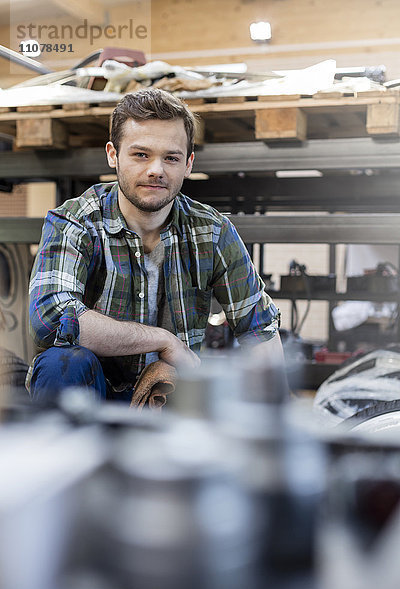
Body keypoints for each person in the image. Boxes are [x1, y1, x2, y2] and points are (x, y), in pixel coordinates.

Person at [27, 88, 283, 403]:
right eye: (141, 154)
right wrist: (163, 341)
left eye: (171, 157)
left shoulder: (213, 232)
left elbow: (259, 330)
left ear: (188, 163)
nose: (156, 170)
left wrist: (272, 427)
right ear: (113, 155)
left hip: (171, 397)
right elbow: (51, 319)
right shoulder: (76, 222)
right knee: (63, 363)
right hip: (91, 397)